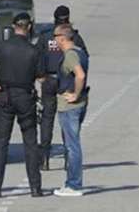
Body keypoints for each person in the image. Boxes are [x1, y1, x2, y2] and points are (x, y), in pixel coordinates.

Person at [0, 13, 44, 198]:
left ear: (14, 27)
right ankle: (35, 188)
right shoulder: (33, 50)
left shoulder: (2, 47)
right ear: (28, 27)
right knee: (30, 143)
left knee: (1, 143)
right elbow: (41, 77)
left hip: (5, 96)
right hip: (25, 96)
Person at [36, 5, 89, 171]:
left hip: (49, 80)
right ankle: (68, 158)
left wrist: (40, 76)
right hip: (66, 82)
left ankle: (44, 158)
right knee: (67, 121)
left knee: (47, 119)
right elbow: (84, 57)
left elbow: (37, 56)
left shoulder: (46, 36)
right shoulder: (73, 37)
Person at [52, 24, 90, 197]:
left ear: (62, 38)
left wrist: (75, 94)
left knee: (72, 145)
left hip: (70, 106)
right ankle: (73, 183)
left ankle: (74, 185)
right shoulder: (80, 51)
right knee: (72, 144)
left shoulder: (70, 56)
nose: (54, 40)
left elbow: (80, 75)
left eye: (55, 37)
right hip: (80, 104)